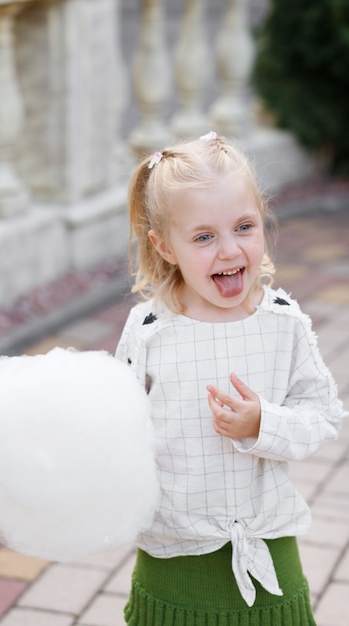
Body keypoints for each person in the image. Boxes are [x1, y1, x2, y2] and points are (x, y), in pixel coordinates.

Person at [115, 132, 347, 626]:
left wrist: (263, 423)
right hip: (173, 553)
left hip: (267, 543)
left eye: (244, 226)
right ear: (165, 246)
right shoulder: (151, 331)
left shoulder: (282, 322)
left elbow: (324, 415)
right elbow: (118, 424)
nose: (229, 250)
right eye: (203, 237)